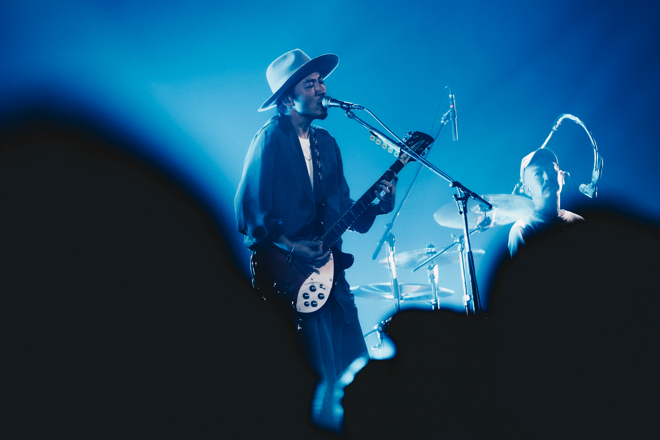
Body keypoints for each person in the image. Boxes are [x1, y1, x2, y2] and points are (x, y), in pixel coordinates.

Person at [234, 49, 397, 432]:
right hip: (289, 277)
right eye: (311, 84)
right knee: (314, 380)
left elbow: (345, 212)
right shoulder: (270, 138)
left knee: (355, 370)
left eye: (321, 81)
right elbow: (248, 210)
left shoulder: (327, 144)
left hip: (332, 278)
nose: (323, 89)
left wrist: (379, 205)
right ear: (287, 99)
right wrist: (291, 246)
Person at [508, 147, 584, 258]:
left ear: (562, 177)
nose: (547, 177)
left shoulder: (578, 222)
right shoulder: (522, 231)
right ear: (527, 190)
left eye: (551, 169)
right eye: (538, 174)